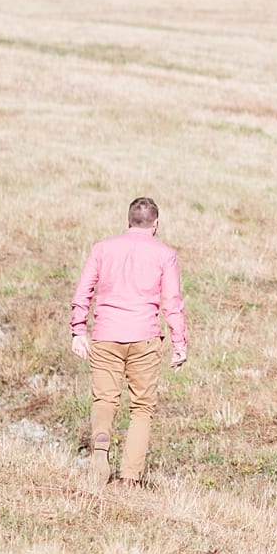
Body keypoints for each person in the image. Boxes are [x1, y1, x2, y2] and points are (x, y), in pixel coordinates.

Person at [70, 197, 188, 487]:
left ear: (128, 221)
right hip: (145, 338)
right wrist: (179, 343)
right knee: (141, 409)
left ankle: (100, 446)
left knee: (105, 399)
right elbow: (172, 302)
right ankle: (130, 478)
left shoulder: (102, 249)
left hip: (106, 335)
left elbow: (83, 290)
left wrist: (77, 330)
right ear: (156, 224)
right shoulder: (165, 255)